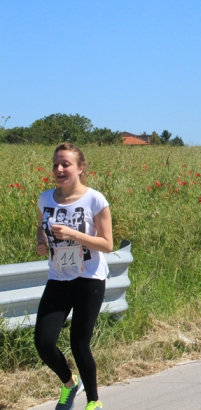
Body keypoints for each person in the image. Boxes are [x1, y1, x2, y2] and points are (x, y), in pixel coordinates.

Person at [35, 143, 113, 410]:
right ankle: (70, 384)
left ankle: (93, 401)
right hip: (58, 277)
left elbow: (107, 244)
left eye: (65, 164)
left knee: (79, 343)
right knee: (43, 342)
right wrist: (41, 243)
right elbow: (40, 229)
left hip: (89, 278)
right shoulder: (45, 198)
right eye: (56, 164)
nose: (59, 169)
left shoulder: (95, 199)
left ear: (80, 168)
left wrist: (74, 235)